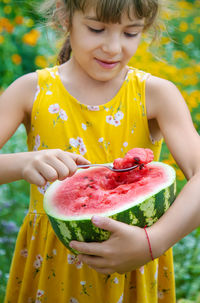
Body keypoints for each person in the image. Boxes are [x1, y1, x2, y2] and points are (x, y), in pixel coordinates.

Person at [1, 0, 200, 302]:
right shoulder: (31, 90)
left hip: (134, 268)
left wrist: (152, 242)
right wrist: (21, 163)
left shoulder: (156, 95)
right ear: (65, 18)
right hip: (51, 268)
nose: (112, 47)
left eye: (130, 33)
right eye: (97, 29)